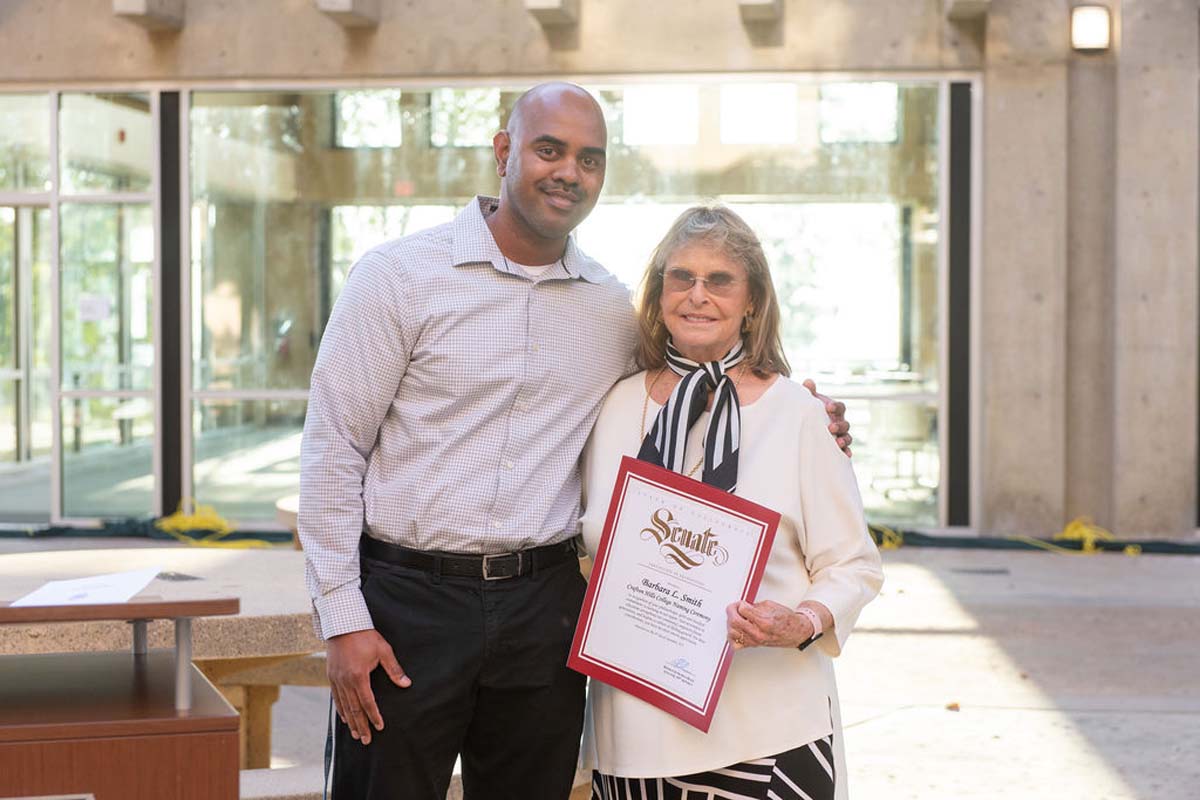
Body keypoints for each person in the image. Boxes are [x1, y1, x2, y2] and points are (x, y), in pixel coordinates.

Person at [299, 82, 852, 800]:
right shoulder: (397, 279)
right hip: (409, 605)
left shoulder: (609, 311)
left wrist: (806, 413)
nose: (569, 172)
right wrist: (343, 620)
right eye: (549, 149)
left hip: (545, 614)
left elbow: (699, 374)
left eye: (589, 159)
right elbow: (332, 449)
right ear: (504, 152)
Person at [579, 205, 883, 800]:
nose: (697, 295)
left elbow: (853, 565)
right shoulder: (611, 406)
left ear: (752, 301)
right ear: (658, 292)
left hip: (766, 731)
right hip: (631, 738)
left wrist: (802, 621)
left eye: (719, 280)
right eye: (681, 277)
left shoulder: (798, 414)